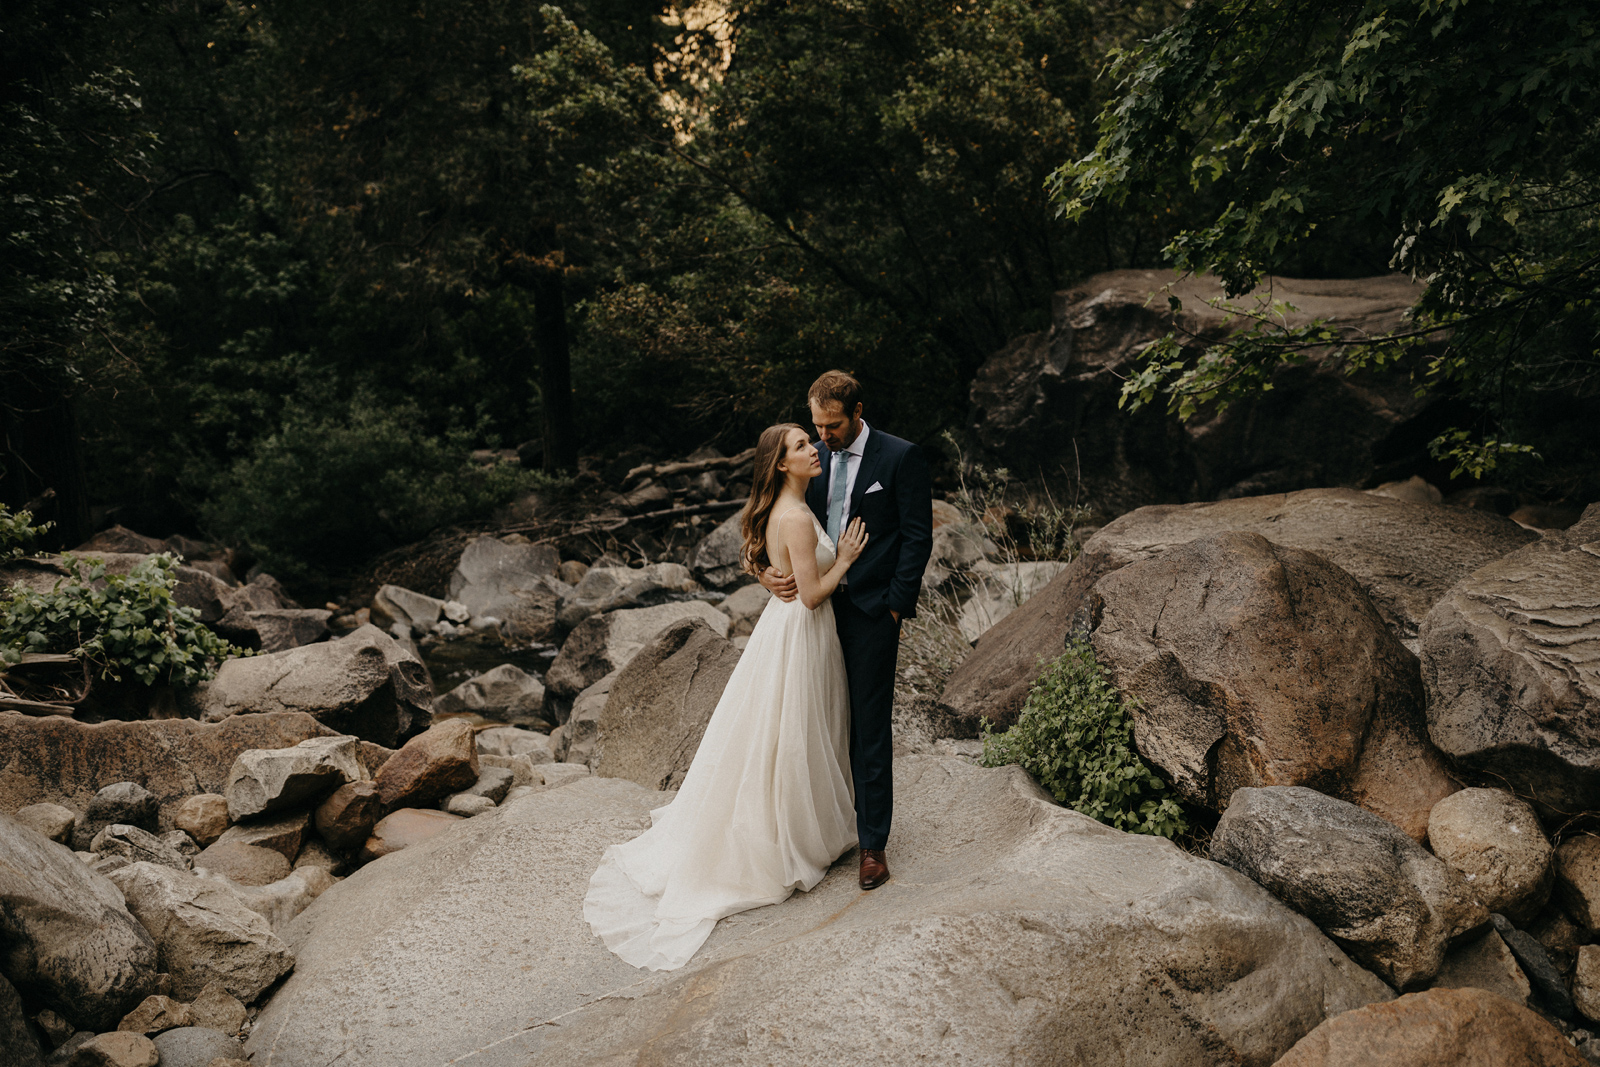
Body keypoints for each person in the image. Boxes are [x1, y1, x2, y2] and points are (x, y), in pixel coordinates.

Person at [584, 422, 869, 971]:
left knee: (783, 732)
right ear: (783, 464)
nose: (815, 449)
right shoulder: (794, 517)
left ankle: (799, 819)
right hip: (801, 633)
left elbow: (761, 558)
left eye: (812, 441)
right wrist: (849, 559)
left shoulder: (779, 509)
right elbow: (810, 596)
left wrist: (764, 573)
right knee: (793, 732)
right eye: (802, 447)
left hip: (780, 629)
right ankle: (793, 834)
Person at [759, 370, 934, 891]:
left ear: (857, 413)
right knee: (812, 721)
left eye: (832, 426)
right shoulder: (808, 459)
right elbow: (768, 513)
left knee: (869, 728)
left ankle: (873, 845)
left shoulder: (900, 457)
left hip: (871, 613)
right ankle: (817, 830)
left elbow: (917, 539)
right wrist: (762, 571)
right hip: (811, 616)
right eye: (816, 425)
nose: (823, 436)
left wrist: (896, 609)